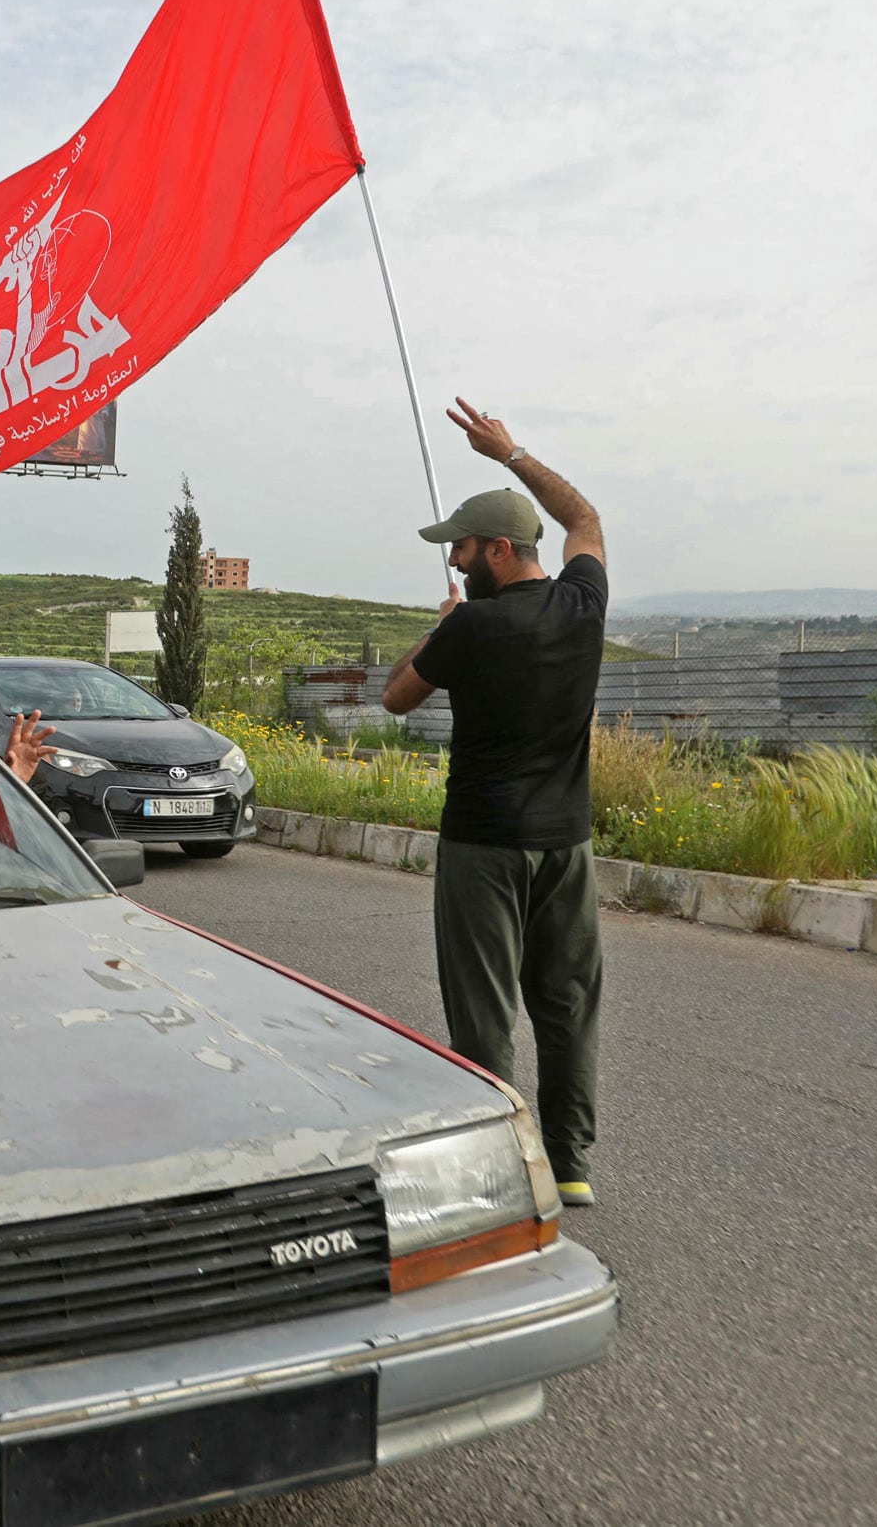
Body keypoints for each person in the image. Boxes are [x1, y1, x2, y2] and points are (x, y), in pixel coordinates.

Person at [382, 398, 608, 1209]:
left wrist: (442, 626)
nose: (458, 563)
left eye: (465, 550)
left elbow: (396, 698)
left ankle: (503, 1169)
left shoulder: (471, 626)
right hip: (567, 845)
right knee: (567, 1005)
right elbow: (581, 514)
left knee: (484, 1015)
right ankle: (570, 1162)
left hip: (482, 844)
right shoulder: (585, 605)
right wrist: (509, 453)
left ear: (500, 553)